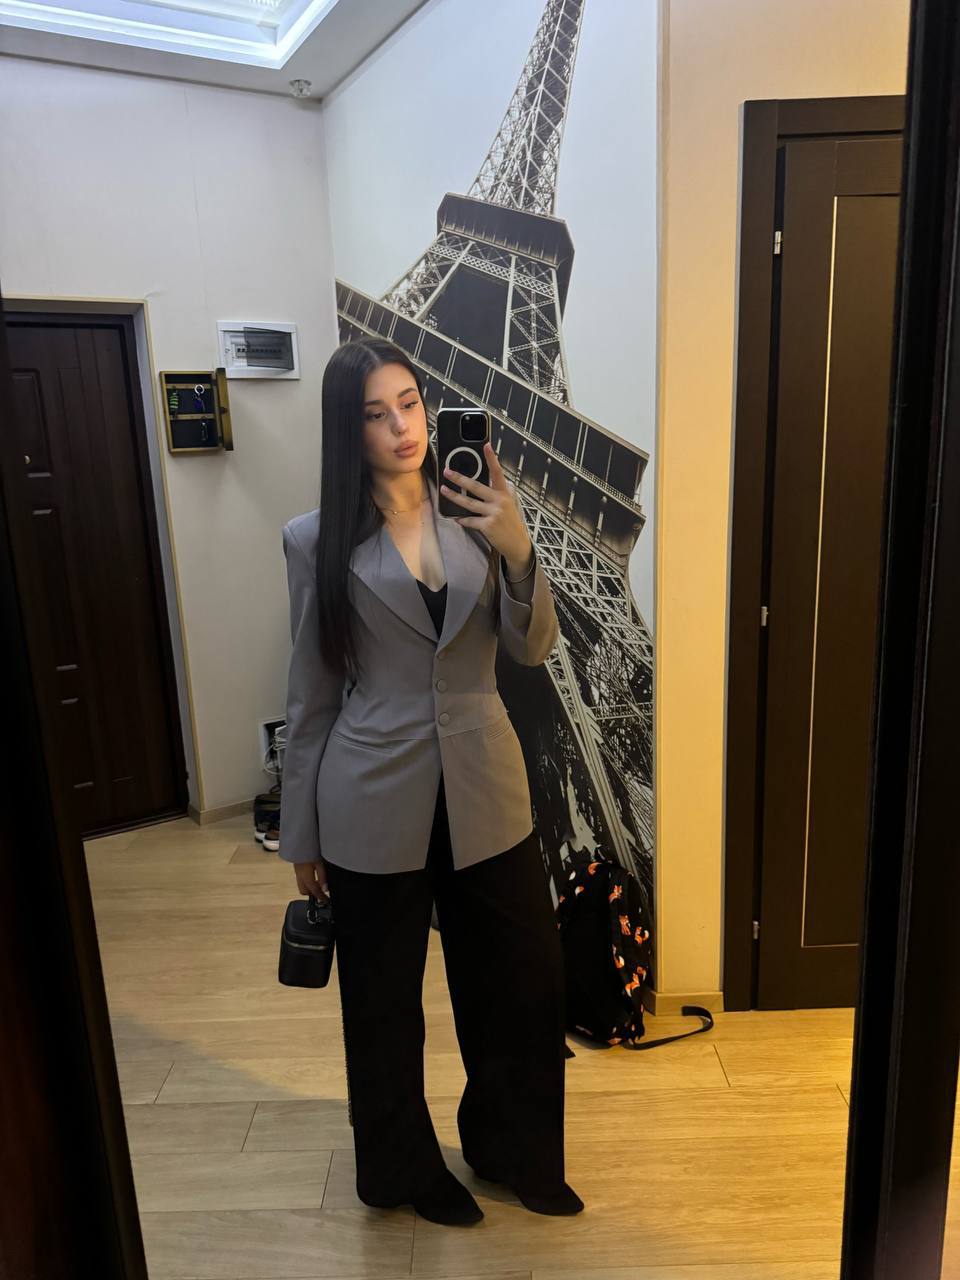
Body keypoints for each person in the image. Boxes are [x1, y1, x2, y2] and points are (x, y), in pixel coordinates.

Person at [278, 336, 583, 1226]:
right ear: (350, 431)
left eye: (409, 403)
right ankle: (403, 1170)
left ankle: (515, 1150)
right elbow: (310, 694)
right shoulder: (314, 541)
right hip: (371, 795)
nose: (402, 426)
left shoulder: (479, 511)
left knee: (522, 982)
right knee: (382, 1001)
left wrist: (519, 548)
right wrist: (301, 836)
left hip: (487, 785)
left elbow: (532, 649)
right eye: (375, 414)